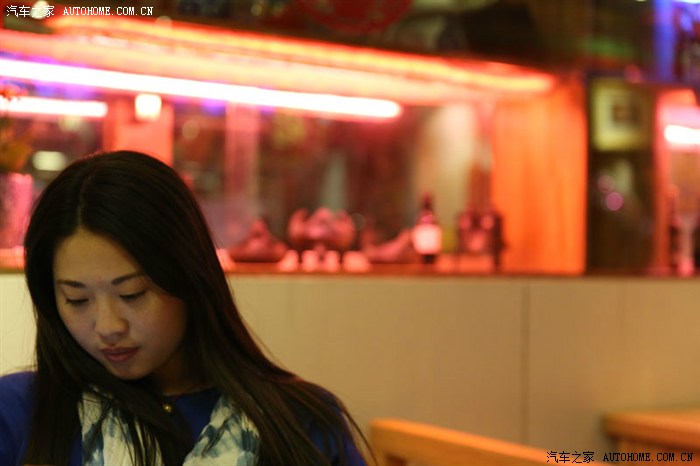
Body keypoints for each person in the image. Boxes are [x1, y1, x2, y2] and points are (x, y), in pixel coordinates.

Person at [0, 150, 369, 466]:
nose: (108, 326)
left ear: (189, 276)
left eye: (132, 294)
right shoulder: (19, 412)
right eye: (77, 300)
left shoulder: (301, 422)